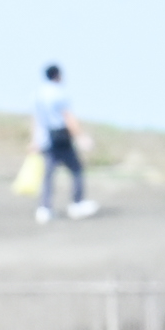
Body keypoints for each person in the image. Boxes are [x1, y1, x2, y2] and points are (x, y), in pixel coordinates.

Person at [31, 64, 92, 221]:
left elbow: (37, 119)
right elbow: (68, 117)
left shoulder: (40, 94)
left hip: (45, 139)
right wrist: (81, 137)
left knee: (48, 175)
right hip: (60, 137)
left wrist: (35, 140)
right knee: (77, 169)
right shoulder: (59, 94)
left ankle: (44, 208)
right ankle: (77, 204)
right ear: (57, 75)